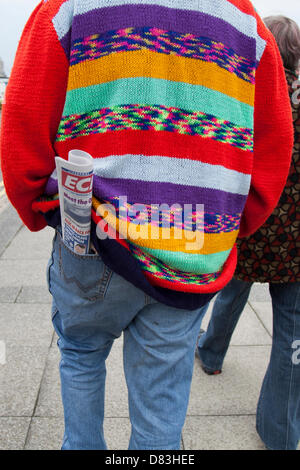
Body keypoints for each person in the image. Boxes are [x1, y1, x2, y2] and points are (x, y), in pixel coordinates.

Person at [0, 0, 293, 450]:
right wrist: (235, 223)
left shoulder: (69, 6)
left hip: (94, 237)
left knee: (80, 356)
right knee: (161, 401)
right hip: (193, 242)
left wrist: (39, 206)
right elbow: (273, 145)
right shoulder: (244, 20)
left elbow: (23, 118)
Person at [196, 15, 300, 451]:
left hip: (249, 229)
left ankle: (211, 353)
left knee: (231, 294)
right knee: (292, 337)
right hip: (295, 245)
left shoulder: (243, 99)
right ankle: (279, 433)